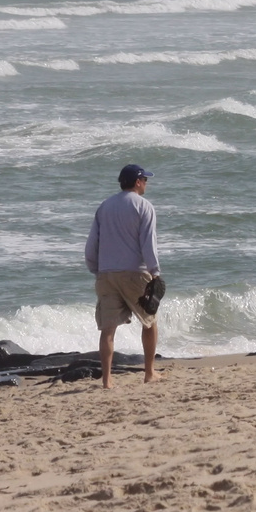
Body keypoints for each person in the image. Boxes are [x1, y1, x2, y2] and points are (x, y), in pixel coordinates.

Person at [85, 163, 162, 386]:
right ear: (137, 182)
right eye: (145, 180)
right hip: (135, 273)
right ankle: (149, 373)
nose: (146, 183)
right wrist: (155, 272)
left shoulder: (104, 206)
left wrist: (95, 269)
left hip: (106, 273)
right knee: (149, 322)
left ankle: (107, 380)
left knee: (107, 329)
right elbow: (148, 244)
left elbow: (92, 245)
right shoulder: (144, 206)